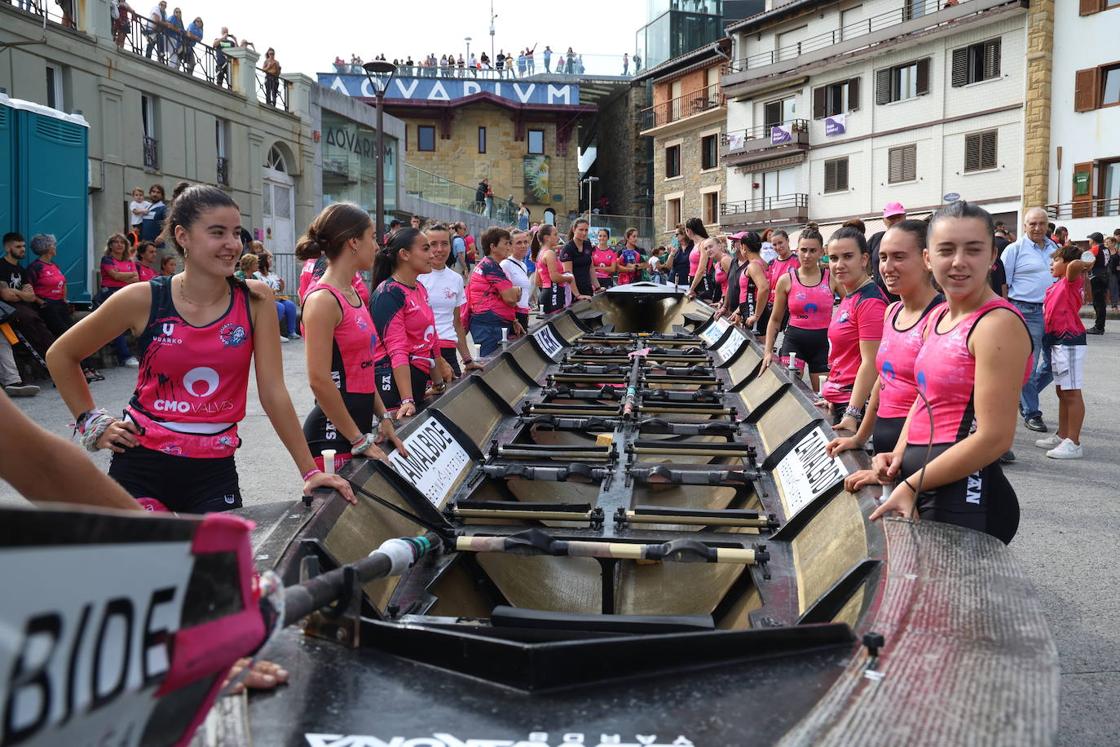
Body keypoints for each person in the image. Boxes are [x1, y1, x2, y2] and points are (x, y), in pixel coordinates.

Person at [46, 185, 354, 513]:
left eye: (236, 233)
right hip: (140, 466)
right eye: (217, 233)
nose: (232, 244)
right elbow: (61, 355)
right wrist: (93, 422)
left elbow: (273, 392)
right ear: (183, 236)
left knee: (221, 566)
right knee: (145, 565)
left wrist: (310, 471)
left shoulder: (256, 299)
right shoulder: (143, 297)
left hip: (213, 470)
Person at [871, 201, 1032, 545]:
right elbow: (924, 397)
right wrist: (898, 455)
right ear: (929, 258)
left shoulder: (996, 325)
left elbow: (994, 438)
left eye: (973, 250)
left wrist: (913, 483)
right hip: (923, 481)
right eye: (947, 250)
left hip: (964, 495)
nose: (959, 262)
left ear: (992, 257)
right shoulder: (939, 316)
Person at [826, 220, 942, 486]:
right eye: (884, 258)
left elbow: (927, 398)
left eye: (899, 257)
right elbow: (882, 381)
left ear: (926, 259)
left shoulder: (939, 318)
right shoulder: (892, 312)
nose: (887, 267)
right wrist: (859, 435)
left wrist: (899, 456)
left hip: (917, 447)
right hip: (884, 441)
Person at [298, 203, 404, 471]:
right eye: (372, 237)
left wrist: (384, 417)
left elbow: (364, 367)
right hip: (331, 436)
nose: (377, 246)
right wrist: (358, 439)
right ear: (354, 242)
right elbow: (319, 380)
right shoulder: (323, 299)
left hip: (358, 429)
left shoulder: (353, 293)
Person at [369, 228, 450, 418]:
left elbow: (431, 339)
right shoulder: (389, 293)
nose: (432, 255)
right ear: (404, 254)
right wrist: (407, 399)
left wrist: (438, 383)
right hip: (393, 386)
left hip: (418, 381)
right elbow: (397, 348)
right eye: (425, 249)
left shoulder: (419, 287)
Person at [820, 227, 889, 429]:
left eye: (848, 256)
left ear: (864, 259)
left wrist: (852, 412)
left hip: (854, 408)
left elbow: (872, 363)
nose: (839, 265)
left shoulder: (870, 302)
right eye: (833, 258)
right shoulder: (851, 295)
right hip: (840, 400)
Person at [1001, 207, 1057, 433]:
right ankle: (1032, 412)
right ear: (1024, 226)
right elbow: (1003, 282)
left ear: (1047, 225)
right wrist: (1006, 312)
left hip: (1053, 311)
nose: (1037, 228)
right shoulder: (1014, 249)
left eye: (1041, 223)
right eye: (1032, 224)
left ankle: (1022, 398)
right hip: (1026, 310)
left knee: (1054, 365)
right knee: (1029, 366)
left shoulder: (1055, 248)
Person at [1034, 245, 1089, 459]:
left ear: (1066, 264)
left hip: (1070, 342)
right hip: (1056, 342)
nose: (1051, 264)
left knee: (1072, 392)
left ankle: (1073, 442)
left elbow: (1075, 265)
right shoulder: (1056, 286)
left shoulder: (1071, 281)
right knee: (1062, 391)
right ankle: (1063, 434)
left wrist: (1083, 260)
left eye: (1056, 260)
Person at [761, 227, 832, 392]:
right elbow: (775, 319)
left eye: (813, 250)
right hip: (794, 342)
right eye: (803, 250)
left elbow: (848, 311)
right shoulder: (786, 280)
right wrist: (768, 351)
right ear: (797, 250)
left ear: (822, 252)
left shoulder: (831, 278)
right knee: (790, 395)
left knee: (823, 398)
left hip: (822, 345)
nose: (807, 255)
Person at [27, 234, 103, 382]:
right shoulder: (35, 267)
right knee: (67, 335)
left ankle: (88, 368)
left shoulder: (55, 265)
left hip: (60, 305)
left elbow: (63, 283)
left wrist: (64, 300)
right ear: (47, 248)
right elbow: (29, 288)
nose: (55, 247)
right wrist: (40, 302)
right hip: (47, 307)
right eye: (53, 245)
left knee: (77, 334)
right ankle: (81, 370)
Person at [420, 224, 483, 377]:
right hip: (424, 354)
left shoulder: (455, 279)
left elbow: (456, 323)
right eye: (433, 244)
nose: (439, 249)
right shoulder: (416, 277)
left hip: (449, 350)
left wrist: (467, 360)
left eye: (444, 243)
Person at [466, 227, 523, 357]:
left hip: (488, 323)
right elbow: (510, 297)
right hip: (489, 326)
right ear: (493, 246)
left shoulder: (487, 265)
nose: (509, 247)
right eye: (506, 243)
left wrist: (513, 319)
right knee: (491, 364)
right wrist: (518, 290)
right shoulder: (490, 267)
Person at [0, 232, 56, 362]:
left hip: (25, 309)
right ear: (8, 248)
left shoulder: (21, 270)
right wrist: (22, 294)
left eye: (24, 246)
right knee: (33, 328)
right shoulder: (1, 266)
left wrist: (15, 291)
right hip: (8, 310)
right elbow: (6, 296)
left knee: (44, 330)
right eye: (18, 246)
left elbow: (31, 297)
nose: (23, 249)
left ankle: (55, 359)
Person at [761, 228, 799, 335]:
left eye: (780, 243)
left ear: (787, 241)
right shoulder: (772, 263)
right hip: (772, 307)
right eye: (774, 244)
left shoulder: (797, 261)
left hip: (790, 309)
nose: (778, 247)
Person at [254, 252, 299, 341]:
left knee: (290, 305)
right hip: (264, 299)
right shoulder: (256, 275)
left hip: (276, 297)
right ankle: (273, 334)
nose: (271, 260)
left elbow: (278, 289)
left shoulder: (272, 274)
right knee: (280, 307)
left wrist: (282, 285)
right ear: (263, 261)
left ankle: (291, 332)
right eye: (269, 258)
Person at [730, 232, 769, 333]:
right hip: (751, 309)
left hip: (753, 310)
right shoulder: (762, 263)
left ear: (744, 247)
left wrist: (756, 315)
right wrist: (739, 311)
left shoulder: (753, 266)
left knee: (759, 346)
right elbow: (749, 291)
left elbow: (764, 288)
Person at [867, 202, 906, 302]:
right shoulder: (876, 239)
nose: (895, 221)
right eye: (891, 218)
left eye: (898, 217)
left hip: (906, 296)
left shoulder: (912, 238)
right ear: (884, 220)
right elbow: (862, 262)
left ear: (905, 217)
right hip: (879, 297)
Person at [533, 224, 573, 313]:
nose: (558, 237)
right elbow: (554, 277)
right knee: (557, 323)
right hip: (554, 294)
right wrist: (569, 277)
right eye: (555, 234)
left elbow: (537, 281)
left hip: (546, 293)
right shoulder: (549, 253)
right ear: (547, 237)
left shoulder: (541, 253)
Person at [502, 229, 534, 331]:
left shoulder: (523, 265)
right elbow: (505, 294)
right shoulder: (505, 265)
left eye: (525, 242)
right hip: (514, 315)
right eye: (519, 243)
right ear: (510, 246)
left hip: (523, 313)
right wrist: (515, 319)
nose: (523, 246)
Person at [559, 218, 597, 300]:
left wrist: (597, 287)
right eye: (581, 230)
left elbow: (591, 268)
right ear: (574, 229)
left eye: (586, 230)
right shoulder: (568, 248)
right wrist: (577, 295)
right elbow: (568, 274)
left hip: (587, 288)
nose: (584, 233)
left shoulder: (587, 244)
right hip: (573, 292)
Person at [683, 218, 716, 301]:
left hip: (702, 281)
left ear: (689, 230)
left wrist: (691, 288)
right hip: (694, 280)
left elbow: (701, 269)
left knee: (705, 309)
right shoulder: (695, 244)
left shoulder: (703, 244)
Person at [1086, 232, 1108, 335]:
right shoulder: (1105, 248)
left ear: (1094, 240)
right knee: (1101, 302)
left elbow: (1086, 261)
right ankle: (1100, 326)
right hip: (1104, 276)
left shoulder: (1095, 248)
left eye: (1090, 239)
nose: (1089, 241)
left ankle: (1099, 327)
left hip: (1097, 277)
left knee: (1098, 303)